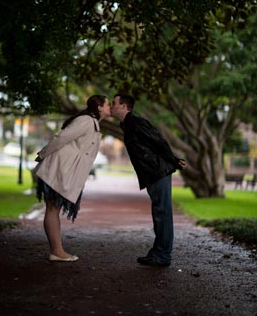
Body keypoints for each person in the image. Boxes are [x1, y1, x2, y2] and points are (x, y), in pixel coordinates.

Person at [111, 93, 186, 267]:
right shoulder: (127, 125)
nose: (112, 106)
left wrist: (174, 160)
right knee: (159, 213)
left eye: (114, 103)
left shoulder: (136, 123)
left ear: (124, 106)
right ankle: (158, 252)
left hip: (158, 171)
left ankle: (162, 255)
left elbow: (158, 141)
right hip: (153, 173)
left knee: (162, 214)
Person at [34, 95, 111, 262]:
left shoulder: (92, 123)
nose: (110, 106)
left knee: (53, 210)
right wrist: (42, 154)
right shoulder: (85, 121)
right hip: (59, 170)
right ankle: (56, 251)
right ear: (99, 107)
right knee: (52, 209)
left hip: (64, 172)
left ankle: (57, 250)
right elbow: (61, 138)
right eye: (108, 104)